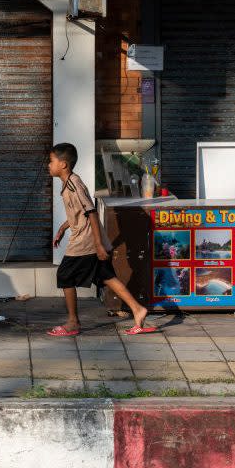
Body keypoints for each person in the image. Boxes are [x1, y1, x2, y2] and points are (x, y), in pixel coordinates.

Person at [47, 143, 153, 336]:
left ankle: (73, 322)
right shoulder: (68, 182)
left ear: (63, 164)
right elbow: (78, 213)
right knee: (105, 276)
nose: (48, 165)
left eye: (51, 161)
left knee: (64, 275)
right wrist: (63, 228)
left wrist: (97, 244)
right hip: (87, 238)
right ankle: (138, 309)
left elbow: (92, 213)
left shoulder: (74, 184)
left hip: (85, 240)